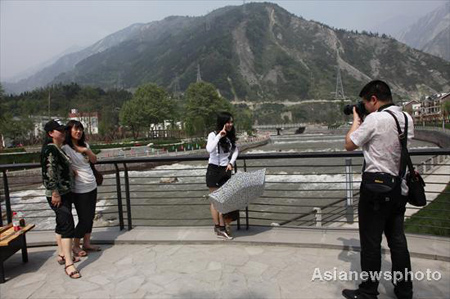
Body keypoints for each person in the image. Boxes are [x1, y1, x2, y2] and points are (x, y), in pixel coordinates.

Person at [343, 80, 414, 299]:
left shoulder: (375, 119)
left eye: (365, 102)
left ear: (373, 99)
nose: (364, 106)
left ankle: (368, 292)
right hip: (399, 189)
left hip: (375, 191)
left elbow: (349, 143)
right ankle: (404, 290)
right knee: (397, 241)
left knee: (371, 243)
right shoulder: (406, 118)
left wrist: (356, 119)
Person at [41, 119, 81, 279]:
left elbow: (61, 167)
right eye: (59, 131)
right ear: (50, 133)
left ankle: (62, 254)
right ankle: (69, 264)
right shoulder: (50, 150)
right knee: (67, 225)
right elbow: (49, 172)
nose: (63, 133)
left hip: (64, 192)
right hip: (58, 194)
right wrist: (55, 192)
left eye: (64, 131)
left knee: (61, 223)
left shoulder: (58, 149)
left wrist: (71, 170)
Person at [62, 120, 101, 257]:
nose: (78, 132)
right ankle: (76, 246)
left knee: (90, 217)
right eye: (75, 129)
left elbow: (94, 160)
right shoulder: (65, 148)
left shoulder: (84, 145)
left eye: (80, 129)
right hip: (79, 188)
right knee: (84, 218)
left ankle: (87, 243)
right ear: (69, 131)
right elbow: (62, 164)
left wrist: (85, 150)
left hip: (92, 185)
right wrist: (71, 168)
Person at [206, 112, 239, 240]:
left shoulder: (231, 136)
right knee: (215, 201)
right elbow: (209, 149)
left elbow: (236, 150)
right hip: (214, 170)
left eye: (231, 122)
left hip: (225, 171)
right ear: (222, 123)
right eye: (228, 122)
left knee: (225, 200)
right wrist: (220, 135)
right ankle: (219, 227)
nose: (230, 124)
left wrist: (231, 162)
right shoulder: (213, 135)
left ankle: (223, 226)